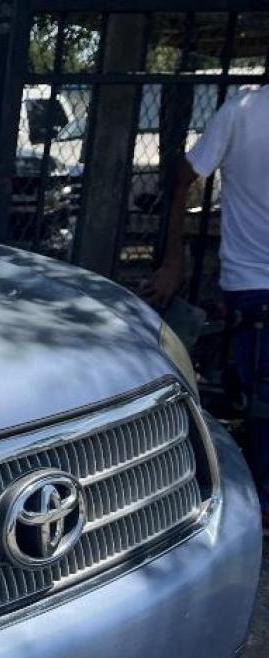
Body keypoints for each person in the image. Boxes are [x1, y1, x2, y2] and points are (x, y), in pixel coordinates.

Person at [144, 84, 268, 535]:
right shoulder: (243, 112)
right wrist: (174, 260)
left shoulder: (242, 110)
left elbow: (184, 176)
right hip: (255, 286)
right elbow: (184, 175)